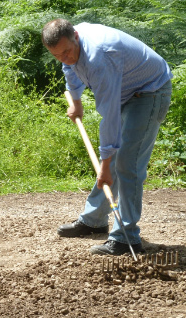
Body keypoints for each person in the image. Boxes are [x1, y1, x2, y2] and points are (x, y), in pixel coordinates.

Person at [42, 19, 172, 256]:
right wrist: (77, 102)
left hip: (150, 91)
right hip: (128, 92)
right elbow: (69, 68)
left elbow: (109, 116)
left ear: (76, 37)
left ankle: (126, 238)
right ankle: (94, 221)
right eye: (57, 55)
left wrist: (105, 165)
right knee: (114, 164)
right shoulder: (69, 49)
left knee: (126, 164)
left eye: (67, 52)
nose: (64, 58)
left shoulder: (100, 58)